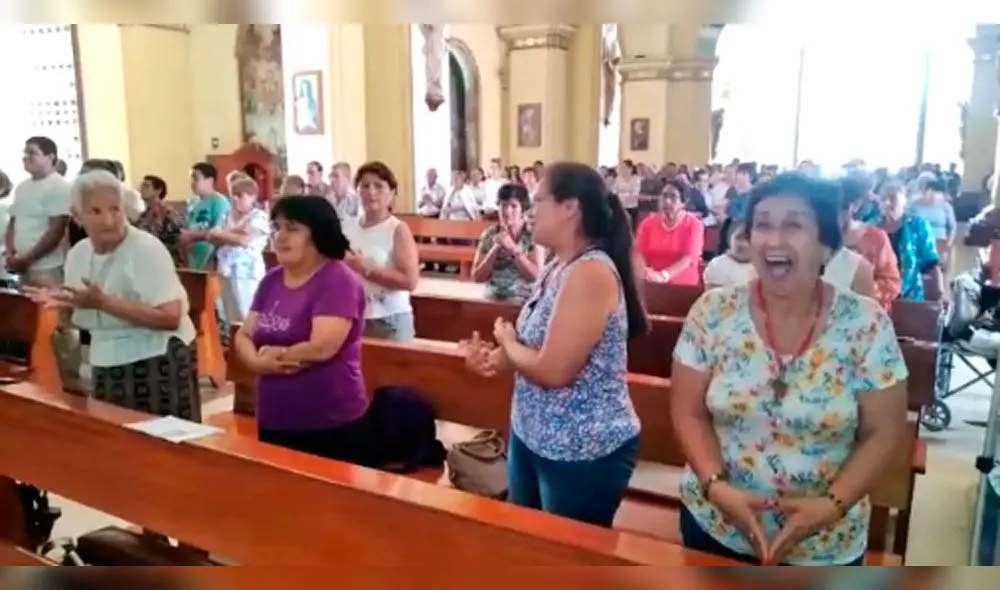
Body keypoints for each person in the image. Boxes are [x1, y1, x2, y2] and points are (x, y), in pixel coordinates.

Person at [671, 173, 907, 566]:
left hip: (825, 543)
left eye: (793, 224)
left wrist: (831, 506)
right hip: (716, 525)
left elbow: (883, 432)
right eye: (762, 224)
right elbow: (688, 411)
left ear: (827, 245)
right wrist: (717, 487)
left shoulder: (865, 325)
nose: (774, 239)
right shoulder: (712, 313)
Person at [461, 162, 648, 528]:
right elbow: (532, 348)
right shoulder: (558, 265)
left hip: (581, 449)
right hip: (532, 433)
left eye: (539, 200)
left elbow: (553, 370)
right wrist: (489, 359)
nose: (531, 211)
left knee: (566, 561)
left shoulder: (590, 272)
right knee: (530, 544)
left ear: (570, 208)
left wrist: (507, 340)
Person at [26, 170, 199, 419]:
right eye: (95, 212)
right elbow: (81, 313)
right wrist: (64, 304)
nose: (108, 220)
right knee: (116, 443)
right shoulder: (79, 254)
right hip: (106, 360)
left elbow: (170, 318)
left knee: (161, 449)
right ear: (77, 217)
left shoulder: (145, 249)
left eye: (115, 209)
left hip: (157, 359)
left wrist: (104, 302)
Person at [233, 195, 374, 465]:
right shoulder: (272, 280)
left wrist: (276, 357)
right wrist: (254, 361)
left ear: (319, 234)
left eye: (293, 228)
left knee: (329, 504)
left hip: (329, 420)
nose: (280, 236)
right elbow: (244, 334)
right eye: (277, 228)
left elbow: (322, 347)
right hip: (275, 414)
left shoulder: (337, 280)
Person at [341, 161, 420, 340]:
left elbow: (409, 281)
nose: (371, 192)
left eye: (379, 186)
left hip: (388, 320)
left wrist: (365, 270)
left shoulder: (397, 229)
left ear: (391, 193)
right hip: (352, 316)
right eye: (365, 186)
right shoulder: (347, 226)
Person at [4, 136, 72, 287]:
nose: (25, 157)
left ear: (50, 157)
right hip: (22, 267)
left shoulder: (58, 186)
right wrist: (10, 254)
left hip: (47, 268)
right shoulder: (22, 187)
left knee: (49, 309)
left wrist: (27, 260)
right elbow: (13, 223)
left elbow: (56, 231)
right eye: (25, 153)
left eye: (32, 153)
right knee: (25, 309)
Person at [209, 176, 270, 323]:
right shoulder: (226, 215)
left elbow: (244, 240)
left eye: (239, 195)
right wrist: (236, 232)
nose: (235, 199)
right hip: (226, 271)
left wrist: (224, 234)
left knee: (247, 316)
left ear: (252, 197)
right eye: (233, 195)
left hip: (247, 274)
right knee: (230, 317)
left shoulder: (258, 216)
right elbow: (212, 236)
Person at [471, 183, 543, 301]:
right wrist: (494, 250)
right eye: (503, 205)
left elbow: (536, 277)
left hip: (524, 300)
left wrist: (513, 249)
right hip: (493, 297)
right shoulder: (489, 234)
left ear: (523, 209)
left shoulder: (533, 234)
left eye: (514, 206)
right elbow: (477, 277)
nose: (507, 211)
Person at [839, 177, 900, 309]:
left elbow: (891, 282)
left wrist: (860, 290)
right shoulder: (818, 237)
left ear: (854, 206)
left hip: (863, 313)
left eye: (840, 209)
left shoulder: (876, 238)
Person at [879, 182, 942, 301]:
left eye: (892, 198)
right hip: (877, 297)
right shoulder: (871, 226)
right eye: (883, 198)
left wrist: (939, 293)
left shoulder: (918, 225)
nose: (886, 203)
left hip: (909, 296)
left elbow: (931, 263)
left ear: (904, 202)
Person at [634, 179, 704, 285]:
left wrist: (664, 275)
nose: (667, 201)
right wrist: (646, 273)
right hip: (651, 281)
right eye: (664, 196)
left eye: (673, 197)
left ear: (683, 202)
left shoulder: (694, 224)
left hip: (682, 286)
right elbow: (638, 252)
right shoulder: (648, 222)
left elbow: (690, 257)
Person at [182, 162, 230, 270]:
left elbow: (220, 232)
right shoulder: (192, 201)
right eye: (191, 179)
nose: (192, 183)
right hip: (191, 255)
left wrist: (192, 236)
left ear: (210, 181)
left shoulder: (219, 202)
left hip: (210, 258)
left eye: (196, 178)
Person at [134, 174, 184, 266]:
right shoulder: (143, 216)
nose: (141, 189)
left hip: (165, 261)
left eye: (146, 186)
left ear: (158, 190)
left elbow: (178, 238)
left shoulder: (168, 213)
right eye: (141, 186)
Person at [908, 177, 956, 271]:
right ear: (924, 192)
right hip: (919, 240)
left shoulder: (946, 207)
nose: (933, 195)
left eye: (936, 193)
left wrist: (948, 245)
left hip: (940, 242)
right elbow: (908, 224)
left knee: (936, 268)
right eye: (930, 192)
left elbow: (952, 227)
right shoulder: (914, 205)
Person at [702, 219, 754, 289]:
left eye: (749, 239)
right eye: (739, 238)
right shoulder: (718, 264)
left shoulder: (763, 267)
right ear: (729, 238)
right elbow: (712, 296)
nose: (743, 244)